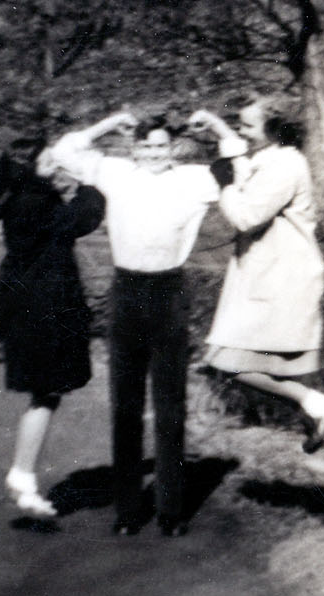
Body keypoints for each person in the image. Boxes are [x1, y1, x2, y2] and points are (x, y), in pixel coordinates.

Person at [51, 109, 246, 534]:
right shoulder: (115, 172)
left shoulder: (194, 179)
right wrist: (111, 122)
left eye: (161, 146)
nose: (154, 153)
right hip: (126, 292)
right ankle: (127, 511)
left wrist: (215, 123)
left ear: (171, 147)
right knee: (126, 404)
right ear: (134, 148)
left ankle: (171, 511)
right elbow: (64, 151)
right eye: (146, 146)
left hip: (169, 292)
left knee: (170, 403)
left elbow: (239, 164)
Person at [191, 99, 324, 451]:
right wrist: (215, 124)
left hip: (282, 279)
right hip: (268, 276)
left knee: (228, 361)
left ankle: (314, 404)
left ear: (274, 130)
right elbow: (242, 165)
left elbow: (247, 216)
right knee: (230, 362)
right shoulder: (270, 158)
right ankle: (313, 406)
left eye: (248, 126)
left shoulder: (285, 166)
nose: (242, 132)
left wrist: (225, 185)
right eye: (239, 125)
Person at [0, 147, 105, 519]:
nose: (56, 164)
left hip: (29, 306)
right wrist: (89, 182)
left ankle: (23, 476)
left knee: (47, 394)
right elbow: (81, 219)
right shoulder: (33, 201)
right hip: (43, 309)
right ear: (29, 168)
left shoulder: (20, 196)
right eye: (48, 160)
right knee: (45, 393)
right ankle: (21, 476)